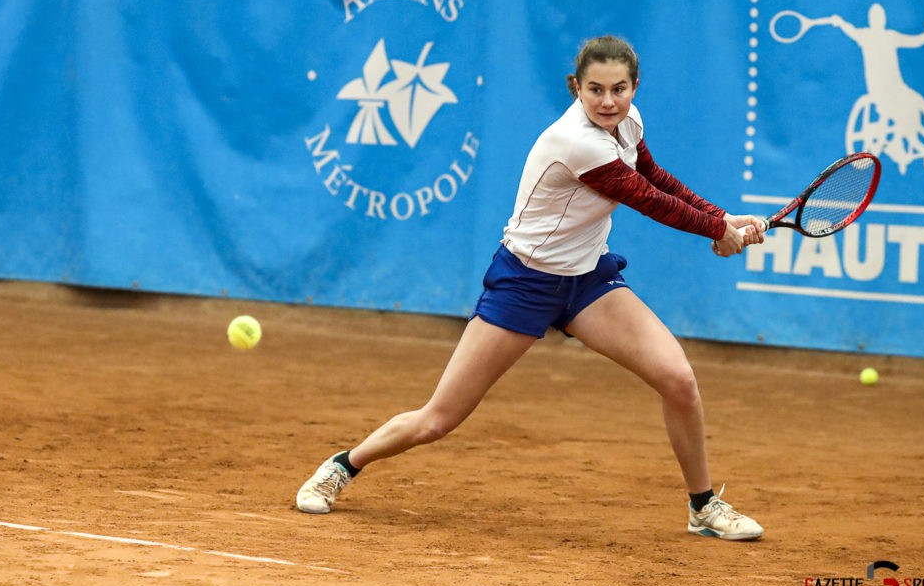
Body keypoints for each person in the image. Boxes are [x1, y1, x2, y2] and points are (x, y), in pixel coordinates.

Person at [297, 35, 766, 540]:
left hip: (587, 279)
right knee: (438, 419)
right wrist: (717, 232)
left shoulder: (628, 122)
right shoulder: (577, 142)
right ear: (576, 88)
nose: (609, 101)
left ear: (633, 87)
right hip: (525, 282)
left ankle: (703, 506)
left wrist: (720, 217)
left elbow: (654, 175)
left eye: (619, 89)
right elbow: (646, 199)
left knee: (678, 379)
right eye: (595, 90)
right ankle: (344, 465)